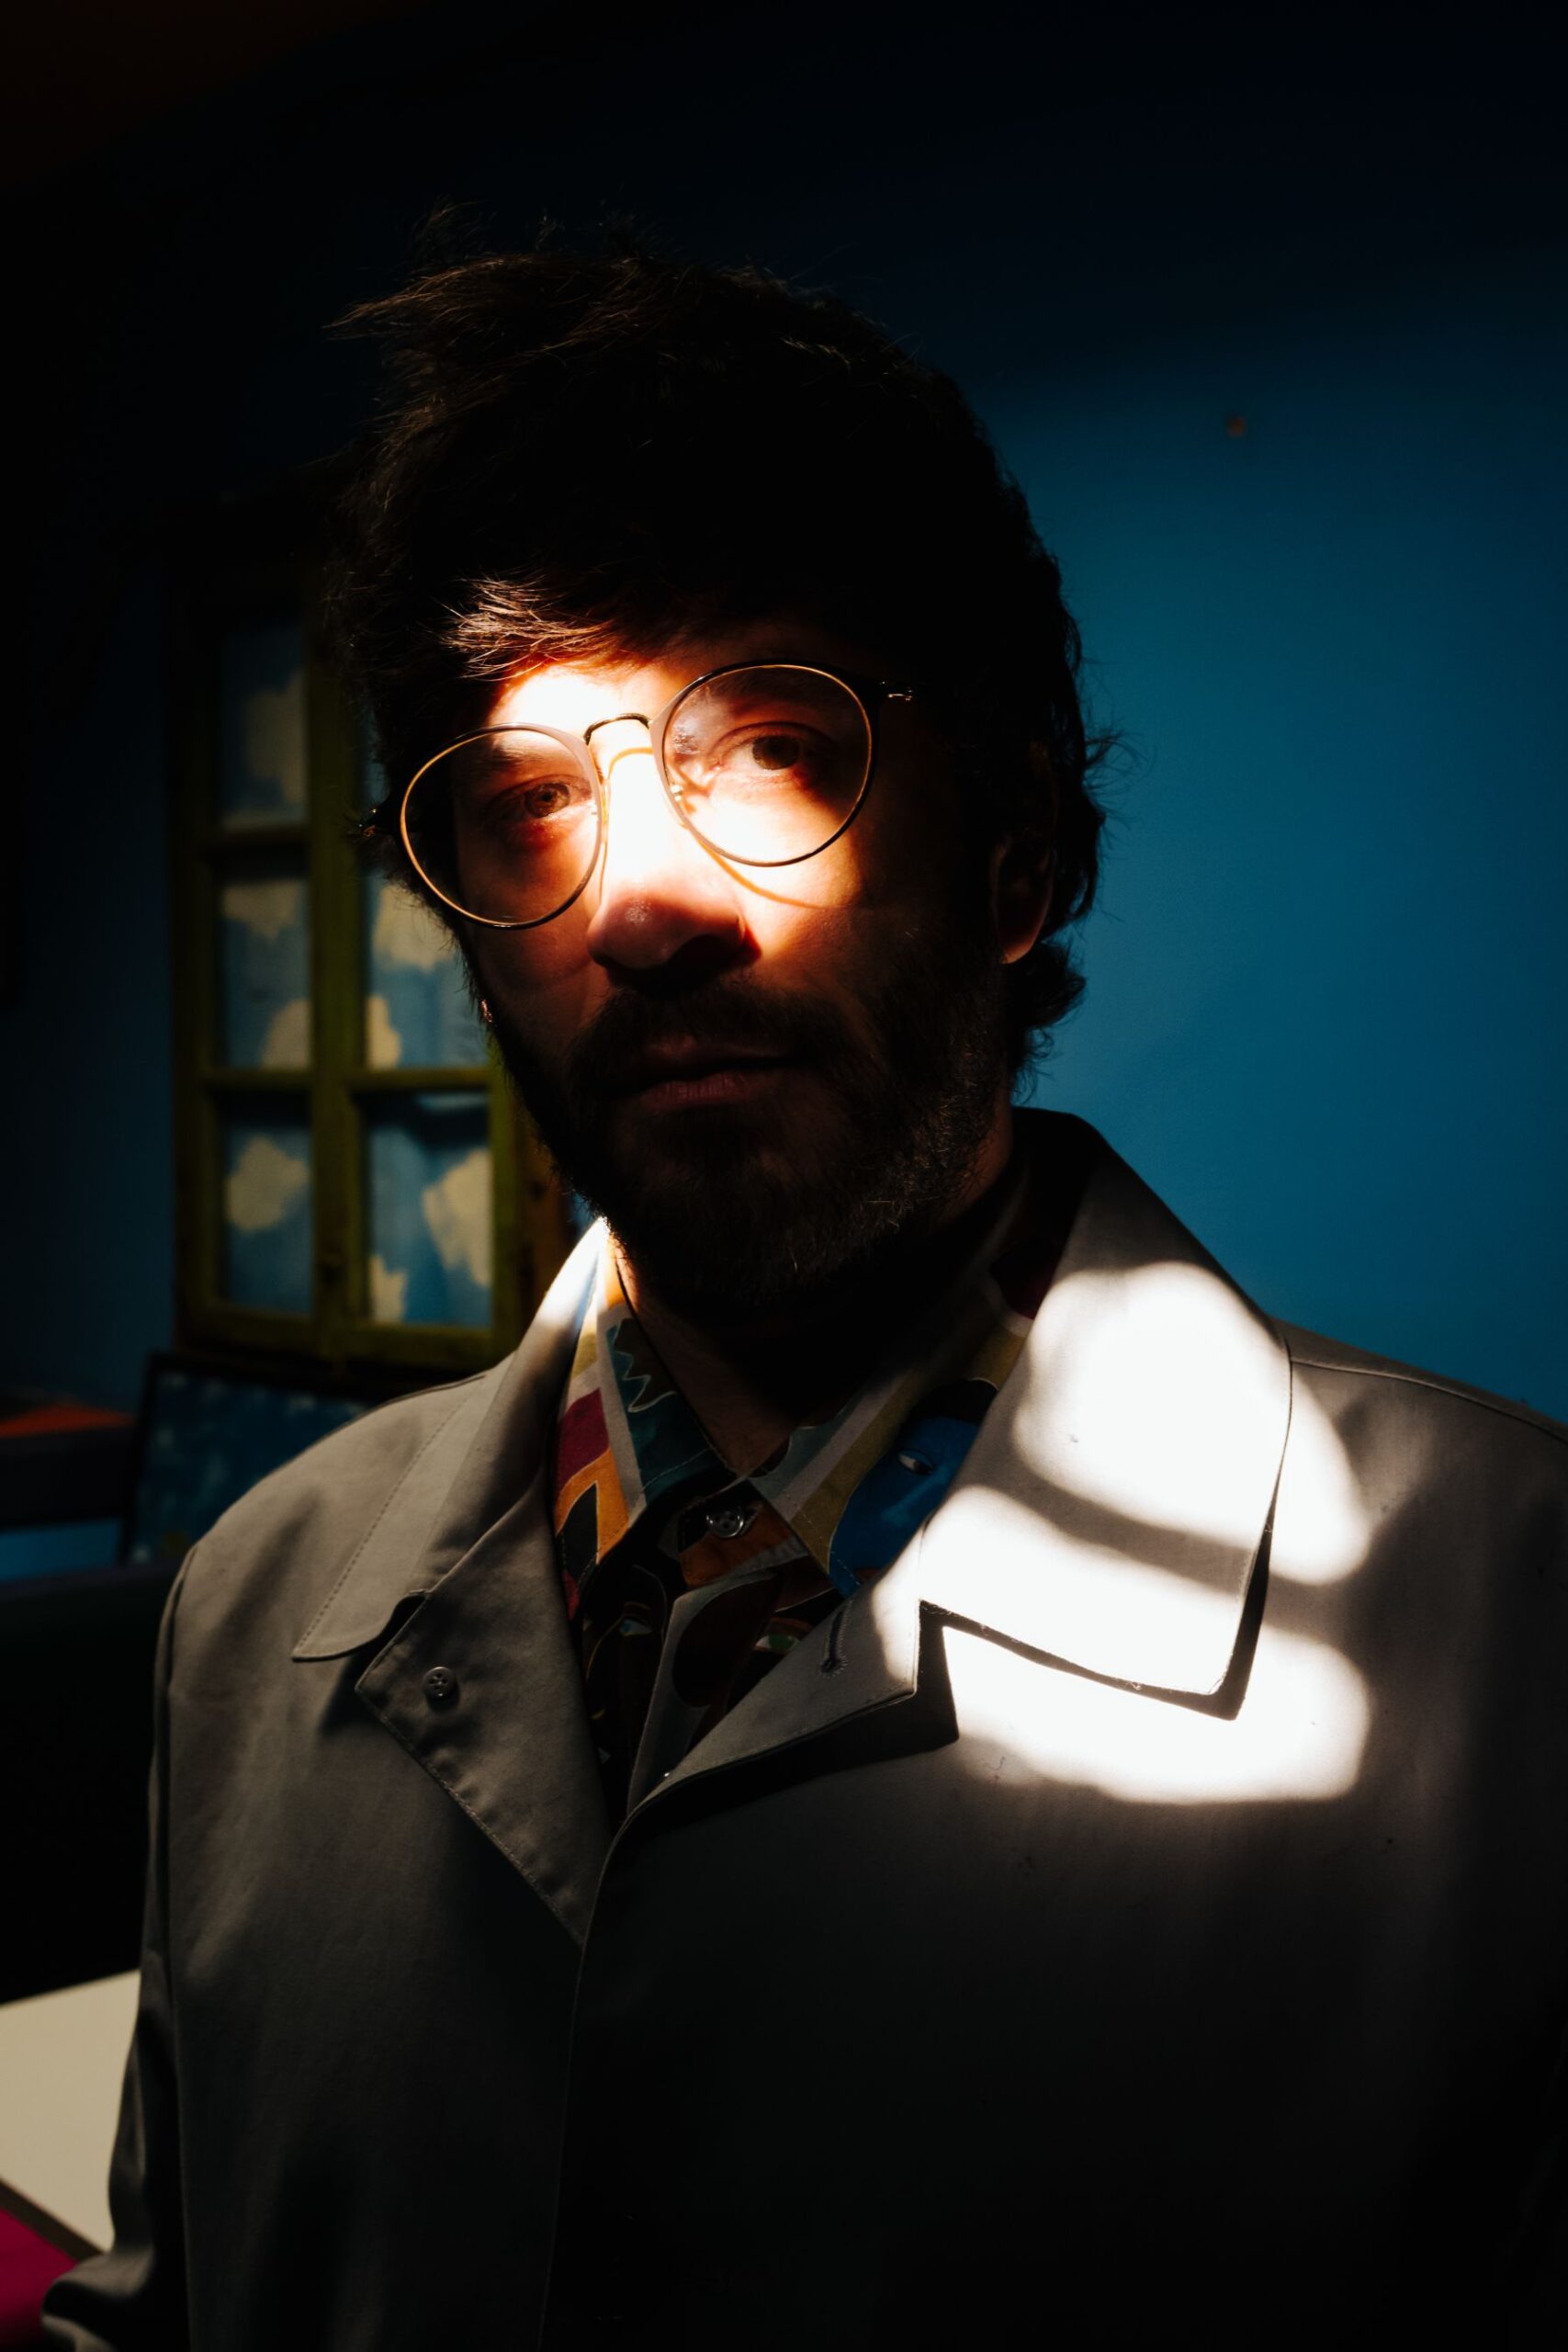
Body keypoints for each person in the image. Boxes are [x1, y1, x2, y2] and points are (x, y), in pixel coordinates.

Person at [46, 240, 1566, 2351]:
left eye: (767, 744)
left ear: (1013, 850)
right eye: (529, 801)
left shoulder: (1516, 1641)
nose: (641, 901)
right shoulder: (250, 1603)